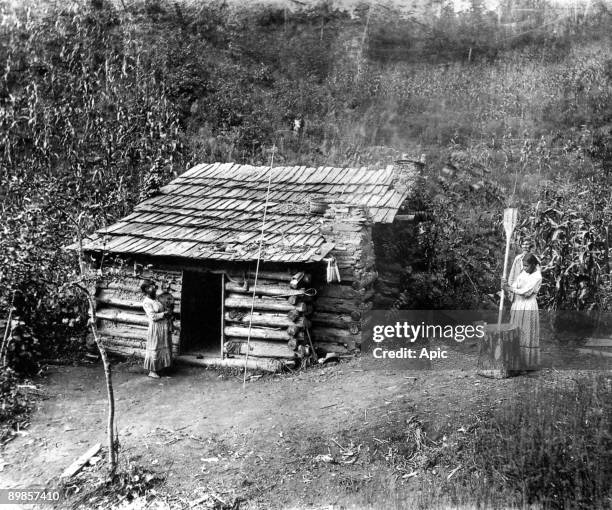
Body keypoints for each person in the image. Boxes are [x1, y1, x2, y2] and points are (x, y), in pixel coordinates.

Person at [502, 253, 542, 371]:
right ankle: (516, 362)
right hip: (518, 305)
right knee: (516, 331)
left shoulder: (537, 277)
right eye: (523, 266)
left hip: (528, 306)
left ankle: (527, 364)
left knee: (526, 332)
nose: (524, 268)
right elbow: (515, 285)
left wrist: (510, 288)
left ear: (533, 264)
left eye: (527, 266)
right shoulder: (523, 273)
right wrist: (507, 286)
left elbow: (526, 292)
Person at [141, 280, 173, 378]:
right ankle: (152, 371)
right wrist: (164, 314)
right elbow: (153, 316)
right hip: (155, 328)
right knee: (155, 347)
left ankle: (161, 368)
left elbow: (166, 305)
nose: (154, 288)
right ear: (146, 289)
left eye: (154, 286)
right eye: (151, 286)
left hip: (163, 326)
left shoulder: (157, 299)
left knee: (163, 346)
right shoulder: (146, 302)